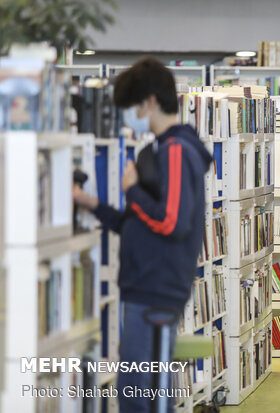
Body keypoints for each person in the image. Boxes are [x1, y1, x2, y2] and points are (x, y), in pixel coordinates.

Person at [72, 57, 212, 412]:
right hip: (143, 288)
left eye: (130, 107)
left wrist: (132, 189)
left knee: (145, 396)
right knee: (134, 390)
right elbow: (137, 224)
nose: (128, 117)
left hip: (157, 292)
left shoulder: (177, 150)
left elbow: (172, 222)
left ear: (149, 102)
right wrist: (90, 204)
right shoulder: (159, 150)